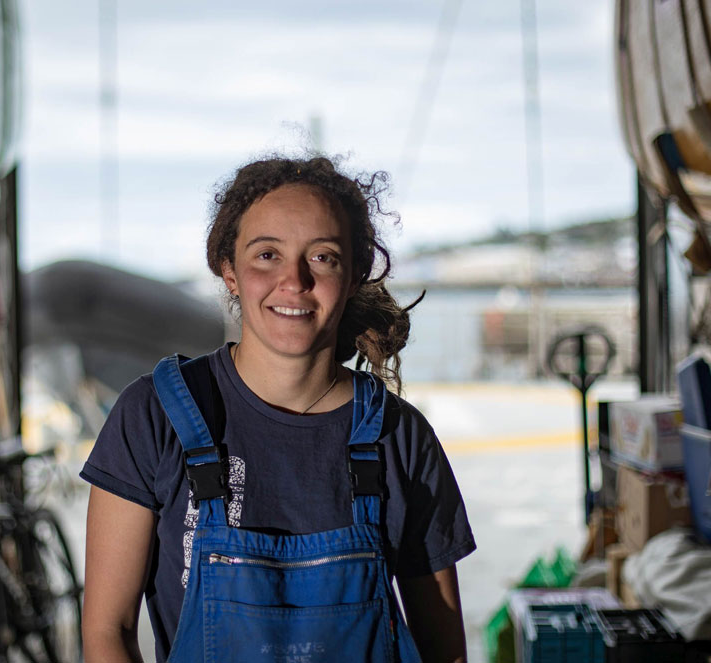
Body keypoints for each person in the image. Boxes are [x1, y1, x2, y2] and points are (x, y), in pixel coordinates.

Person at [81, 155, 476, 663]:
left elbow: (446, 653)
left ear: (353, 274)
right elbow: (107, 634)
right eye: (267, 254)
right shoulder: (154, 415)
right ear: (229, 269)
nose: (294, 281)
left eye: (323, 257)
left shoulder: (399, 438)